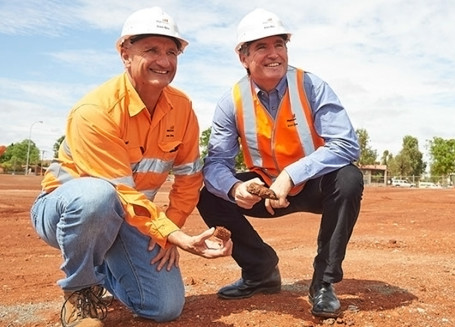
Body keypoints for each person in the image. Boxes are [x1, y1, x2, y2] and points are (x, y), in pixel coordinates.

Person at [30, 7, 232, 327]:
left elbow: (190, 176)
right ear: (125, 53)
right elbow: (119, 192)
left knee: (164, 307)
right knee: (97, 196)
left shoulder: (182, 108)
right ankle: (80, 292)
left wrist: (169, 231)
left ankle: (105, 269)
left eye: (171, 51)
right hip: (67, 212)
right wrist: (176, 235)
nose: (163, 61)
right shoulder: (95, 111)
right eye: (151, 50)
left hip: (130, 217)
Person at [197, 8, 364, 318]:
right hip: (265, 190)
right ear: (243, 57)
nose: (273, 54)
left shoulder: (311, 86)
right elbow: (215, 163)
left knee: (349, 179)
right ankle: (260, 271)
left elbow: (346, 143)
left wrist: (291, 175)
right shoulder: (231, 101)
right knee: (207, 192)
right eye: (261, 47)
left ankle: (323, 283)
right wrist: (235, 188)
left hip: (314, 185)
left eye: (279, 44)